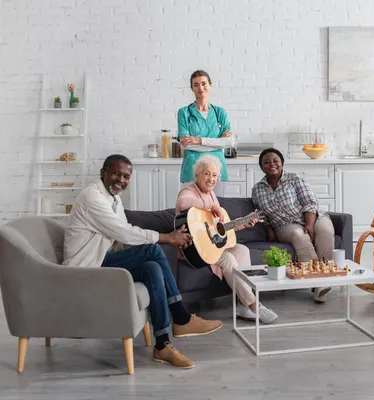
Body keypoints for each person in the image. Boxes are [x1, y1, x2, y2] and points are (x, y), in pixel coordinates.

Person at [62, 154, 223, 369]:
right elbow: (124, 232)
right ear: (103, 173)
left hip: (100, 261)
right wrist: (168, 237)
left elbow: (122, 234)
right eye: (116, 173)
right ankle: (181, 317)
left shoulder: (115, 200)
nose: (121, 180)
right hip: (84, 269)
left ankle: (162, 344)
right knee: (152, 250)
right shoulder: (92, 197)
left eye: (126, 176)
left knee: (152, 267)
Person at [175, 154, 278, 324]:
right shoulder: (189, 191)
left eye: (214, 175)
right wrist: (212, 205)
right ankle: (254, 306)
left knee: (242, 250)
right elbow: (183, 203)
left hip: (211, 247)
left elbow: (220, 229)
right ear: (197, 175)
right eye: (206, 174)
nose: (211, 179)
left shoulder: (212, 195)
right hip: (194, 249)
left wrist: (244, 223)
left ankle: (242, 305)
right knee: (228, 258)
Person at [252, 148, 334, 303]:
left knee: (324, 231)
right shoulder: (257, 189)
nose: (272, 164)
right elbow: (262, 215)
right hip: (285, 225)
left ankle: (325, 280)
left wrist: (310, 224)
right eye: (266, 162)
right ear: (261, 166)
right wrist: (269, 231)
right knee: (299, 234)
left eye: (275, 160)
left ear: (282, 163)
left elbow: (310, 202)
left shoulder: (294, 179)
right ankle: (319, 282)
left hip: (311, 216)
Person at [177, 70, 234, 196]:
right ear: (192, 88)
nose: (200, 88)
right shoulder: (184, 112)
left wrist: (199, 140)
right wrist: (218, 143)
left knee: (216, 211)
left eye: (204, 84)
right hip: (192, 170)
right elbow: (187, 145)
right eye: (196, 85)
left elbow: (229, 142)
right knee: (192, 212)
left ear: (210, 85)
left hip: (217, 171)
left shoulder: (220, 112)